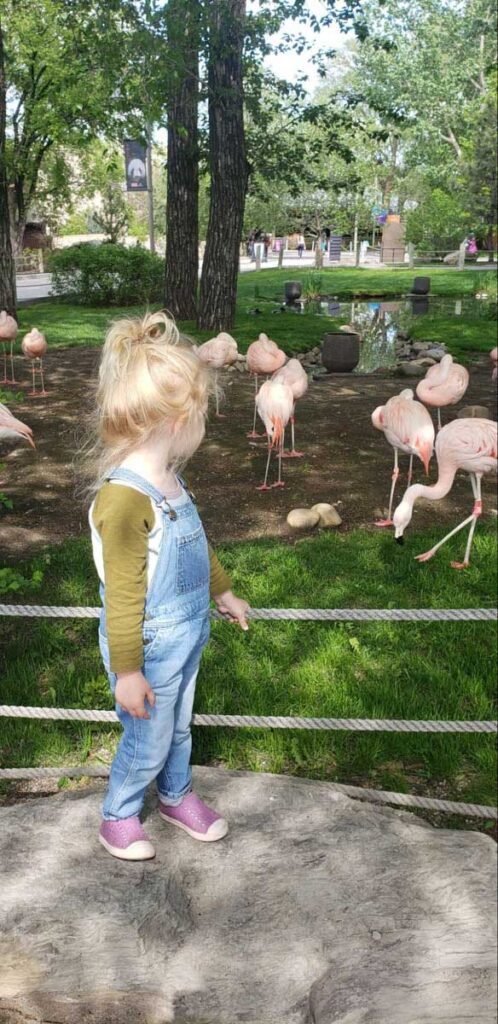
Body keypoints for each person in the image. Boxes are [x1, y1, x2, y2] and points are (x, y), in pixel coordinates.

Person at [87, 311, 250, 861]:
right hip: (148, 642)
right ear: (180, 419)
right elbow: (125, 594)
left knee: (179, 726)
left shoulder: (169, 480)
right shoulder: (125, 499)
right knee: (148, 736)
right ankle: (118, 815)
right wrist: (128, 671)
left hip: (187, 631)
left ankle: (176, 796)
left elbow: (196, 544)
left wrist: (222, 591)